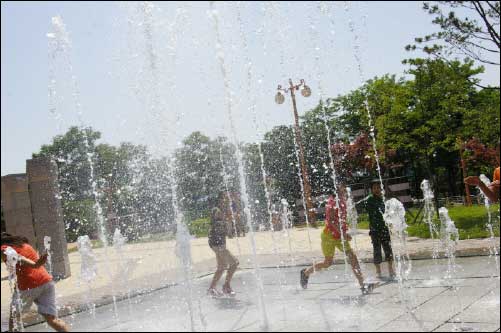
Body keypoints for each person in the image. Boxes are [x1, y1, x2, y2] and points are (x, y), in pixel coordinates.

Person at [300, 186, 376, 294]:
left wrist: (343, 233)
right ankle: (306, 273)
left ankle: (363, 285)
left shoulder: (342, 202)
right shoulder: (332, 203)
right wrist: (343, 234)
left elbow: (341, 220)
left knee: (352, 256)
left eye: (345, 190)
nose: (345, 191)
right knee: (327, 263)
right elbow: (331, 221)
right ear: (337, 191)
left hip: (339, 236)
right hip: (328, 237)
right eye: (343, 190)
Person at [1, 233, 70, 332]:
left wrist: (34, 265)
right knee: (53, 319)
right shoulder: (25, 245)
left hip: (28, 286)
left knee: (14, 320)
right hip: (46, 281)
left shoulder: (4, 247)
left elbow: (17, 257)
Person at [358, 181, 396, 279]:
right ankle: (378, 271)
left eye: (378, 187)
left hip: (384, 228)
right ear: (371, 190)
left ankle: (391, 269)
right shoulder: (370, 199)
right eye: (374, 188)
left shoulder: (383, 199)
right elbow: (360, 205)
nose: (377, 189)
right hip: (375, 229)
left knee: (388, 249)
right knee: (377, 250)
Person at [207, 206, 239, 297]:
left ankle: (212, 288)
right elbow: (230, 234)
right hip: (220, 247)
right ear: (214, 215)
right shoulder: (218, 223)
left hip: (217, 247)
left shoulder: (214, 223)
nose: (220, 214)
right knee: (234, 263)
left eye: (220, 212)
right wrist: (230, 221)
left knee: (221, 267)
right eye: (218, 213)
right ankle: (226, 286)